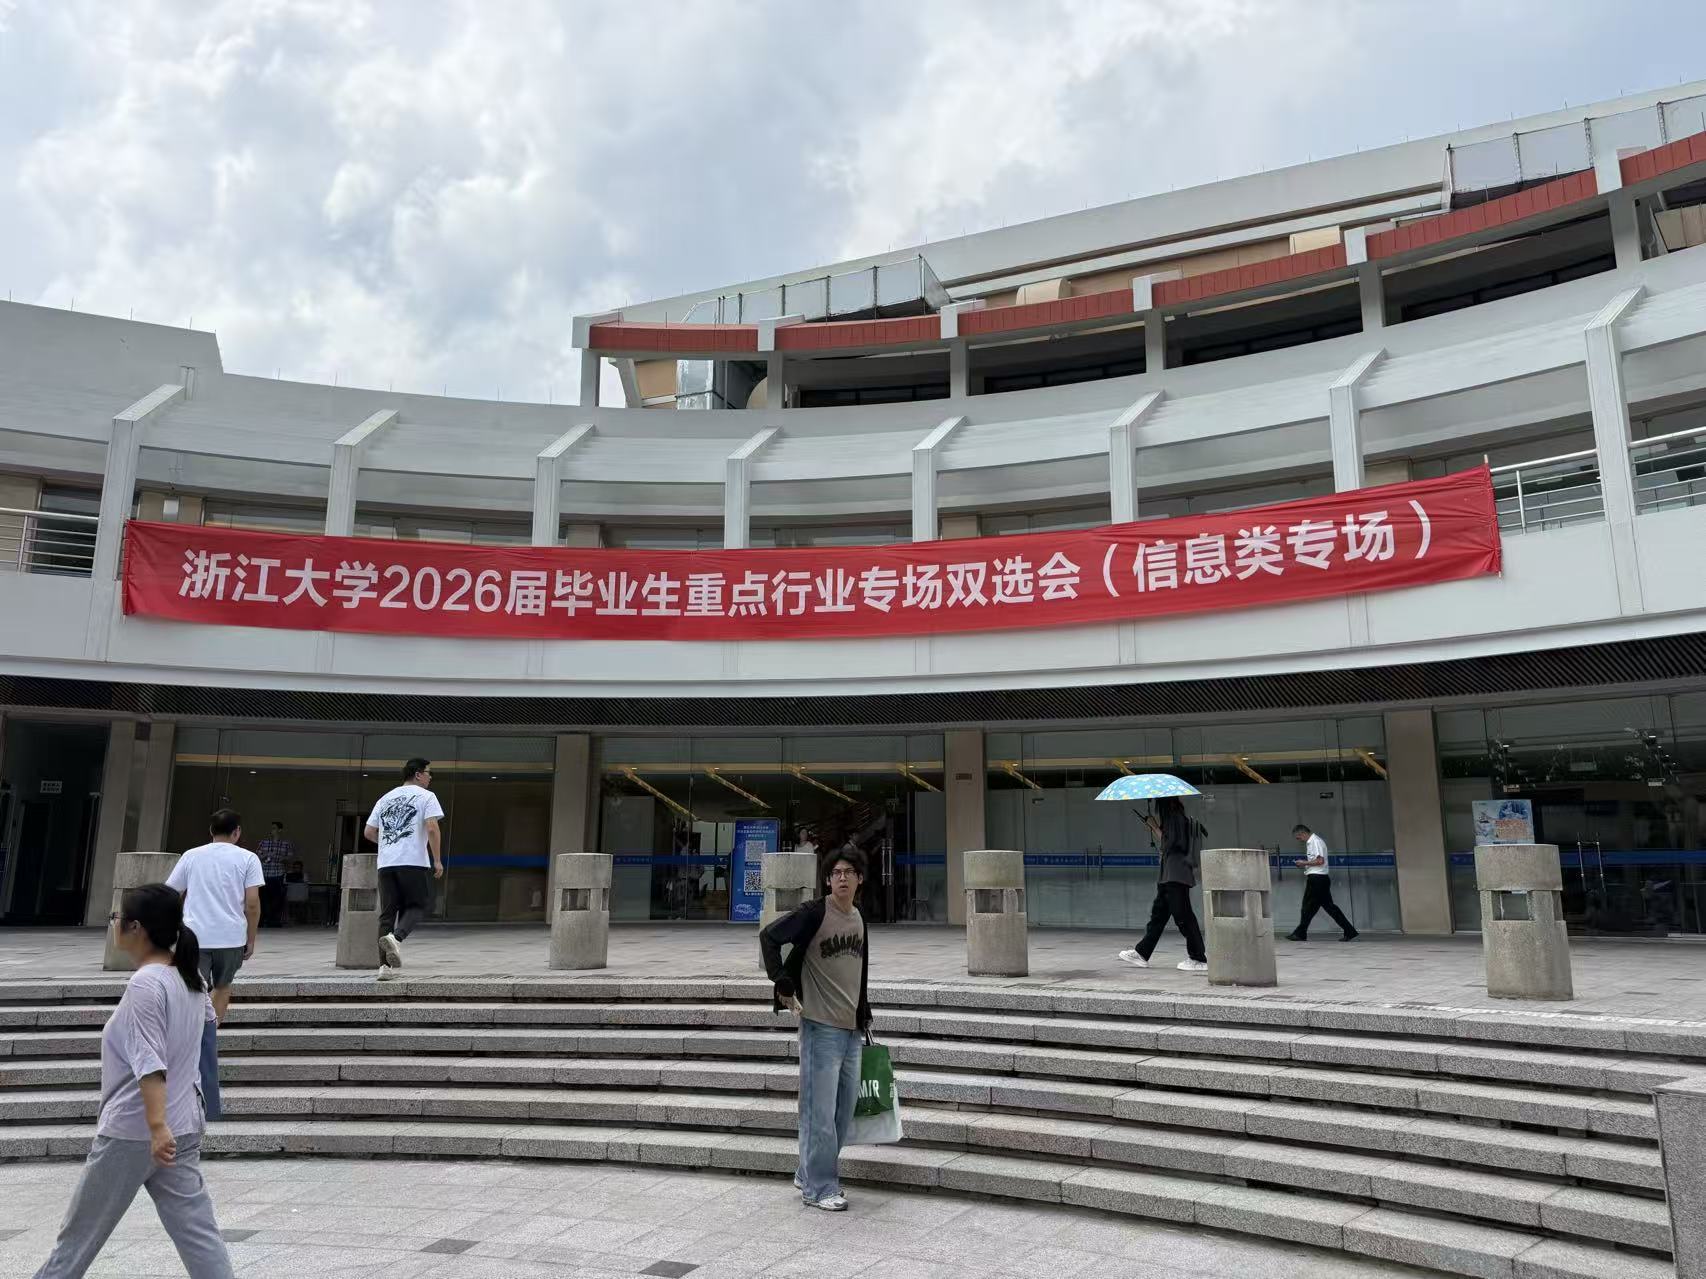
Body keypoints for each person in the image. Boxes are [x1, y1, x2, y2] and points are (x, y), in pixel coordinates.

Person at [31, 884, 232, 1278]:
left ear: (136, 927)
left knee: (77, 1238)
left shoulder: (146, 983)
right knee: (198, 1232)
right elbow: (206, 1030)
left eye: (117, 918)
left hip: (136, 1130)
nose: (115, 924)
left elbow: (149, 1061)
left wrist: (156, 1126)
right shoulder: (189, 978)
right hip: (183, 1124)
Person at [758, 847, 872, 1213]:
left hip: (850, 1028)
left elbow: (858, 973)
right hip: (820, 1025)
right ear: (827, 879)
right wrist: (781, 980)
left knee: (842, 1112)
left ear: (860, 879)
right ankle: (819, 1188)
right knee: (819, 1112)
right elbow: (769, 937)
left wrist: (864, 1013)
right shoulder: (814, 913)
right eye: (836, 872)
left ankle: (808, 1171)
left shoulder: (858, 918)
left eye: (849, 872)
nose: (842, 877)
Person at [164, 809, 263, 1024]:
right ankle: (211, 1031)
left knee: (192, 988)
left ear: (211, 830)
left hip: (194, 936)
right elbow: (252, 903)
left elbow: (170, 893)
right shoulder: (249, 858)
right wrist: (251, 939)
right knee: (222, 986)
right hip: (231, 937)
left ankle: (192, 1032)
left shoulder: (191, 855)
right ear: (237, 831)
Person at [364, 757, 444, 980]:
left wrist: (390, 843)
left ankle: (384, 968)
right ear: (418, 774)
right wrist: (437, 860)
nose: (430, 777)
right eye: (428, 772)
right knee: (417, 906)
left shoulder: (385, 798)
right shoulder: (427, 796)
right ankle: (396, 938)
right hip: (413, 862)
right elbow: (432, 828)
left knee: (387, 915)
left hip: (386, 864)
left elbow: (369, 832)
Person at [1118, 796, 1208, 972]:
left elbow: (1170, 845)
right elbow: (1169, 842)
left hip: (1175, 875)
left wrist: (1154, 826)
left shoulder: (1175, 818)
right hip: (1169, 874)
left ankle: (1198, 958)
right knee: (1159, 915)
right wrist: (1156, 828)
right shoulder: (1176, 818)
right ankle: (1142, 953)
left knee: (1183, 916)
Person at [1285, 823, 1359, 942]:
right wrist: (1306, 864)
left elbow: (1320, 861)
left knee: (1314, 907)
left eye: (1298, 838)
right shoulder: (1312, 842)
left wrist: (1303, 863)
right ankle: (1300, 933)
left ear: (1303, 833)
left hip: (1317, 879)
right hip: (1317, 878)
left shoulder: (1315, 842)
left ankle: (1300, 933)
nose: (1299, 840)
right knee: (1312, 908)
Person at [255, 821, 293, 927]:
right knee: (262, 898)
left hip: (278, 874)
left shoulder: (286, 844)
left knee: (276, 899)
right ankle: (261, 920)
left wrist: (278, 857)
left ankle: (274, 921)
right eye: (271, 828)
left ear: (280, 830)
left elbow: (289, 858)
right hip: (264, 874)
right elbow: (257, 856)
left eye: (274, 828)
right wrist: (267, 855)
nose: (272, 830)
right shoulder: (264, 843)